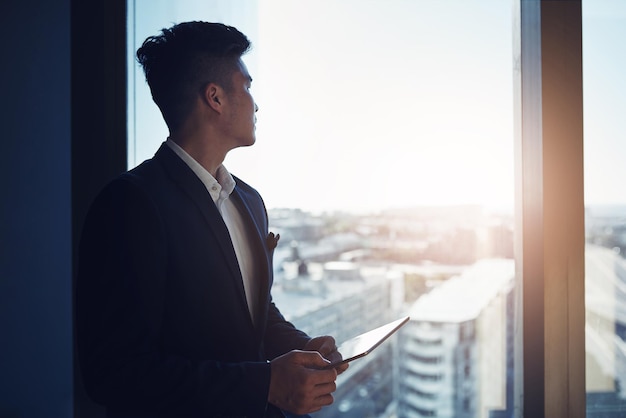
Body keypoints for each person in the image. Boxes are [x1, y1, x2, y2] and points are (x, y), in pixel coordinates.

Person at [76, 21, 347, 418]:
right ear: (215, 97)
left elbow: (254, 315)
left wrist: (303, 347)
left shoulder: (250, 201)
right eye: (247, 86)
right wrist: (267, 384)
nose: (256, 103)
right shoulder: (129, 203)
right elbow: (114, 372)